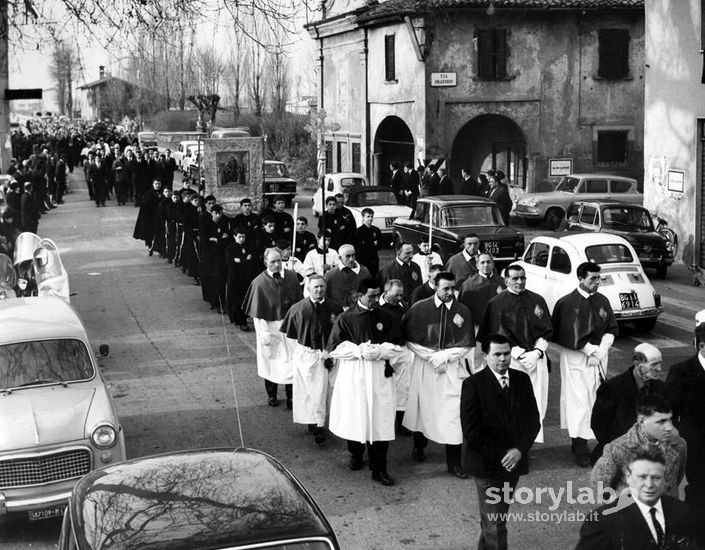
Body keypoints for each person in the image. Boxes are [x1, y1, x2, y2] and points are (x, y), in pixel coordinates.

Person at [460, 333, 540, 550]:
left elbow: (533, 421)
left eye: (506, 354)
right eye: (497, 354)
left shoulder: (522, 380)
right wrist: (502, 456)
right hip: (486, 464)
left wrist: (519, 450)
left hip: (514, 462)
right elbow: (472, 431)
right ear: (486, 356)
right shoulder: (473, 385)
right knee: (495, 522)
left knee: (496, 517)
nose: (503, 359)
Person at [327, 277, 406, 486]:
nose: (375, 300)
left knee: (380, 421)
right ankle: (356, 452)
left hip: (380, 374)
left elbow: (399, 346)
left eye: (377, 295)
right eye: (371, 296)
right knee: (356, 416)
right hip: (355, 375)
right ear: (359, 295)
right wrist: (358, 351)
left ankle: (379, 468)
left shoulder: (386, 316)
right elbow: (334, 348)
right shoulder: (346, 318)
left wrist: (381, 350)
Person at [403, 272, 476, 478]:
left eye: (453, 288)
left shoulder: (463, 310)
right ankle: (419, 446)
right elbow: (409, 339)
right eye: (445, 288)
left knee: (453, 413)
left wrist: (444, 356)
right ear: (435, 286)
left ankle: (454, 463)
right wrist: (430, 356)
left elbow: (466, 344)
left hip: (451, 368)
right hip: (426, 367)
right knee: (423, 408)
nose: (450, 292)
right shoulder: (420, 308)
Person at [477, 264, 553, 443]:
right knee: (512, 404)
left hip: (536, 359)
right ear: (506, 280)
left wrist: (537, 352)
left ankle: (529, 442)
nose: (519, 281)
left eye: (522, 278)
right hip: (511, 361)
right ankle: (513, 443)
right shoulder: (496, 303)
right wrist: (518, 354)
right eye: (515, 278)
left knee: (536, 402)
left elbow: (547, 329)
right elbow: (495, 333)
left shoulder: (537, 299)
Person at [553, 261, 618, 467]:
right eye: (593, 279)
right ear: (581, 278)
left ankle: (594, 440)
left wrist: (601, 350)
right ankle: (579, 445)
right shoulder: (567, 303)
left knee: (596, 399)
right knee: (578, 401)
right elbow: (565, 333)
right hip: (576, 358)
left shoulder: (602, 300)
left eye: (599, 278)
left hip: (598, 357)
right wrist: (589, 350)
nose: (597, 282)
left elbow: (610, 327)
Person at [576, 446, 698, 550]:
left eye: (656, 477)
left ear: (665, 479)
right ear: (628, 477)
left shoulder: (682, 512)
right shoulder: (603, 522)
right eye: (642, 477)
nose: (649, 485)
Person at [591, 386, 687, 499]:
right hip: (631, 513)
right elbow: (600, 486)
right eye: (661, 421)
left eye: (669, 420)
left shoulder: (678, 445)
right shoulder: (618, 449)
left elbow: (676, 478)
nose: (669, 427)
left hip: (668, 512)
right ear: (642, 421)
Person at [280, 275, 342, 445]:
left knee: (325, 391)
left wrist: (330, 353)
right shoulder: (298, 309)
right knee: (309, 392)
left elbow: (339, 333)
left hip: (328, 355)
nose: (319, 290)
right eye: (315, 287)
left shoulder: (335, 307)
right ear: (308, 289)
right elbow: (291, 337)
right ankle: (313, 422)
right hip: (307, 356)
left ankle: (322, 423)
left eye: (322, 286)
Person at [243, 248, 303, 408]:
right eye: (273, 262)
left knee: (293, 360)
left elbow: (299, 304)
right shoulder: (259, 283)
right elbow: (258, 314)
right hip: (270, 326)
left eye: (279, 261)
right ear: (265, 263)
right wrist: (264, 334)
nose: (277, 265)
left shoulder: (291, 276)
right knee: (271, 361)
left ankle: (292, 397)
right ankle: (272, 394)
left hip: (290, 326)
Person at [591, 343, 664, 463]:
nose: (659, 368)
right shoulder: (612, 388)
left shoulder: (662, 388)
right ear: (637, 365)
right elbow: (599, 425)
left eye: (660, 363)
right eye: (654, 364)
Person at [667, 321, 705, 517]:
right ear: (701, 346)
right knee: (699, 489)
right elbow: (670, 411)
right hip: (697, 444)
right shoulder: (681, 372)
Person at [458, 253, 505, 333]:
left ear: (493, 264)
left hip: (499, 327)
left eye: (488, 262)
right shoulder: (468, 285)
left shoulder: (502, 282)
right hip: (477, 327)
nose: (486, 265)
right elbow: (462, 308)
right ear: (477, 265)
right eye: (482, 262)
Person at [225, 227, 258, 330]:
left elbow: (253, 262)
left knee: (244, 300)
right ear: (235, 237)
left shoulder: (249, 247)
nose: (241, 239)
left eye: (243, 237)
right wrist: (246, 260)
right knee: (236, 300)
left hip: (246, 278)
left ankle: (242, 320)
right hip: (235, 278)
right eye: (239, 237)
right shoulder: (230, 248)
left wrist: (240, 261)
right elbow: (231, 264)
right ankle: (238, 320)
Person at [324, 244, 371, 308]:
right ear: (340, 258)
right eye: (347, 256)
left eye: (353, 255)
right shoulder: (331, 275)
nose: (351, 259)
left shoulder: (364, 272)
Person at [133, 180, 162, 253]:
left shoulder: (163, 193)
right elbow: (145, 206)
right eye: (156, 184)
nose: (157, 185)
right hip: (150, 217)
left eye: (159, 184)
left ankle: (159, 248)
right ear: (153, 184)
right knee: (150, 233)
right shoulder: (148, 194)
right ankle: (150, 246)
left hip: (160, 216)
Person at [355, 208, 382, 276]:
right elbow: (358, 247)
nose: (370, 218)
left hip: (374, 259)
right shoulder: (358, 232)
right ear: (363, 217)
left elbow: (380, 245)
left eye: (371, 216)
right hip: (362, 260)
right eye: (368, 216)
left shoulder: (376, 230)